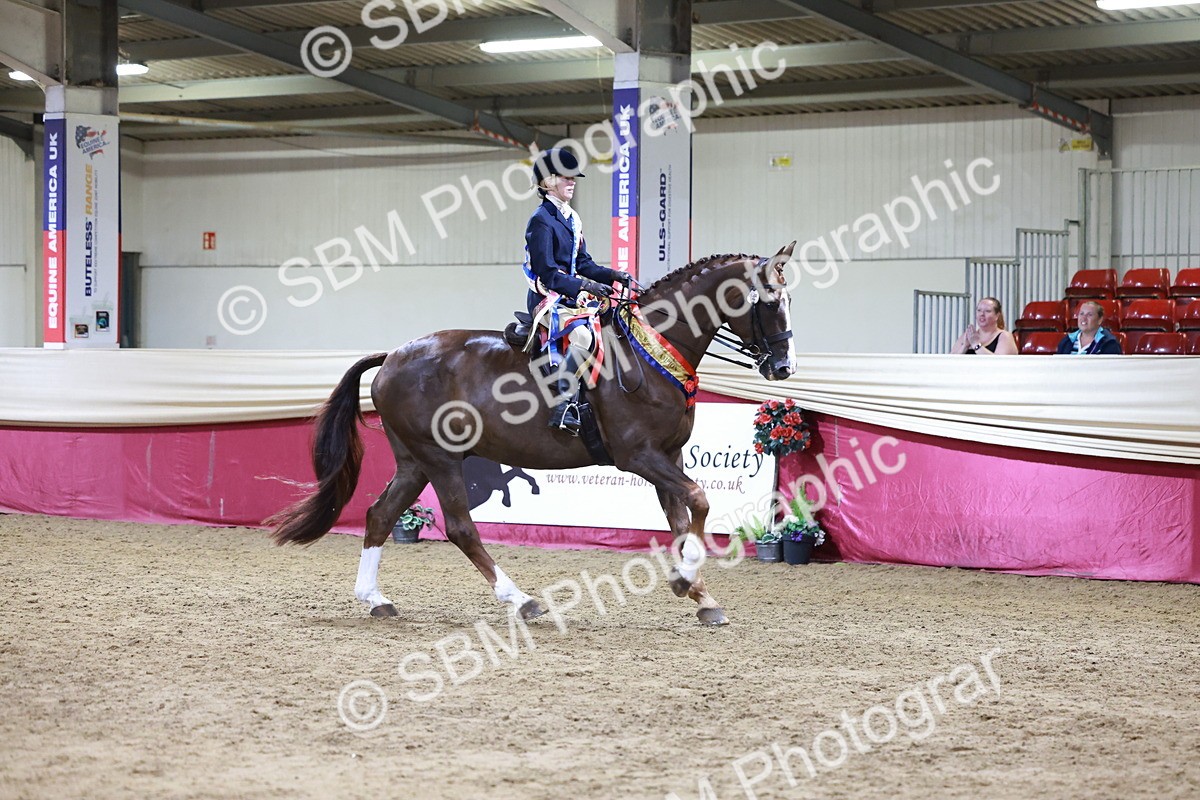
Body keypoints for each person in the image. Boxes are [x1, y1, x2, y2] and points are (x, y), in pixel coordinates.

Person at [508, 148, 630, 435]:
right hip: (547, 298)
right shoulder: (541, 220)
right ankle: (562, 404)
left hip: (572, 296)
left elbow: (583, 263)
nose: (572, 182)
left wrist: (614, 275)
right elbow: (548, 272)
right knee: (583, 335)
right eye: (566, 177)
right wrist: (585, 286)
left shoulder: (572, 217)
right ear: (548, 181)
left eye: (573, 177)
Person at [951, 297, 1018, 355]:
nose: (982, 314)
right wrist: (965, 346)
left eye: (987, 311)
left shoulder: (1005, 336)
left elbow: (999, 363)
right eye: (979, 310)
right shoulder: (969, 336)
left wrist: (976, 345)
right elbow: (950, 361)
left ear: (997, 315)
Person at [1056, 300, 1122, 354]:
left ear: (1100, 320)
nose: (1083, 318)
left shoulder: (1110, 343)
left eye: (1089, 315)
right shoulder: (1067, 341)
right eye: (1081, 314)